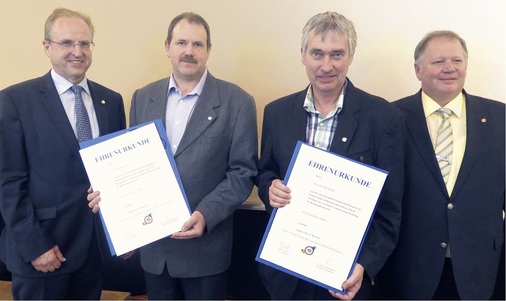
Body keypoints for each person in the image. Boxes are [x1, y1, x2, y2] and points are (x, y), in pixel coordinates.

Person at [88, 12, 257, 300]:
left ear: (208, 50)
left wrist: (206, 213)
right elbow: (131, 167)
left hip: (206, 251)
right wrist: (122, 221)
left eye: (197, 44)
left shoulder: (237, 102)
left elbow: (243, 172)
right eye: (181, 43)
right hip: (156, 253)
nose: (189, 51)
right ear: (167, 47)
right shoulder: (143, 97)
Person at [255, 11, 405, 300]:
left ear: (350, 56)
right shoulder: (276, 113)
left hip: (345, 277)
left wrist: (365, 265)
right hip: (286, 276)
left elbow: (390, 211)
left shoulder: (384, 119)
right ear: (302, 55)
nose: (326, 66)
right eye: (317, 53)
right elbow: (265, 172)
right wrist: (269, 187)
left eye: (337, 54)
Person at [0, 7, 126, 300]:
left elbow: (118, 174)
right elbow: (7, 183)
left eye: (84, 43)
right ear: (47, 47)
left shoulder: (111, 101)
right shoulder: (15, 101)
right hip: (42, 253)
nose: (77, 51)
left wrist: (122, 233)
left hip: (92, 253)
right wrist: (36, 246)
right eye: (67, 43)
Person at [377, 30, 505, 300]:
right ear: (418, 70)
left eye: (457, 61)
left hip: (480, 269)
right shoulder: (389, 117)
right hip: (409, 269)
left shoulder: (500, 118)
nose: (449, 68)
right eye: (438, 62)